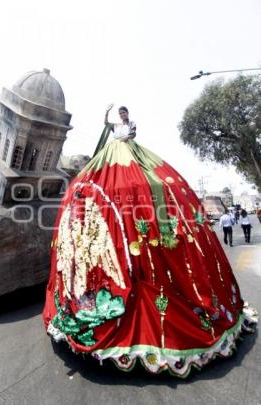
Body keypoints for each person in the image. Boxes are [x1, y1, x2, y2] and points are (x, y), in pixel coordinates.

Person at [43, 105, 257, 377]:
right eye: (119, 115)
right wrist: (105, 120)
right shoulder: (110, 133)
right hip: (110, 174)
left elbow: (126, 134)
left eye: (122, 114)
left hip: (131, 164)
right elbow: (108, 131)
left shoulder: (130, 128)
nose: (121, 117)